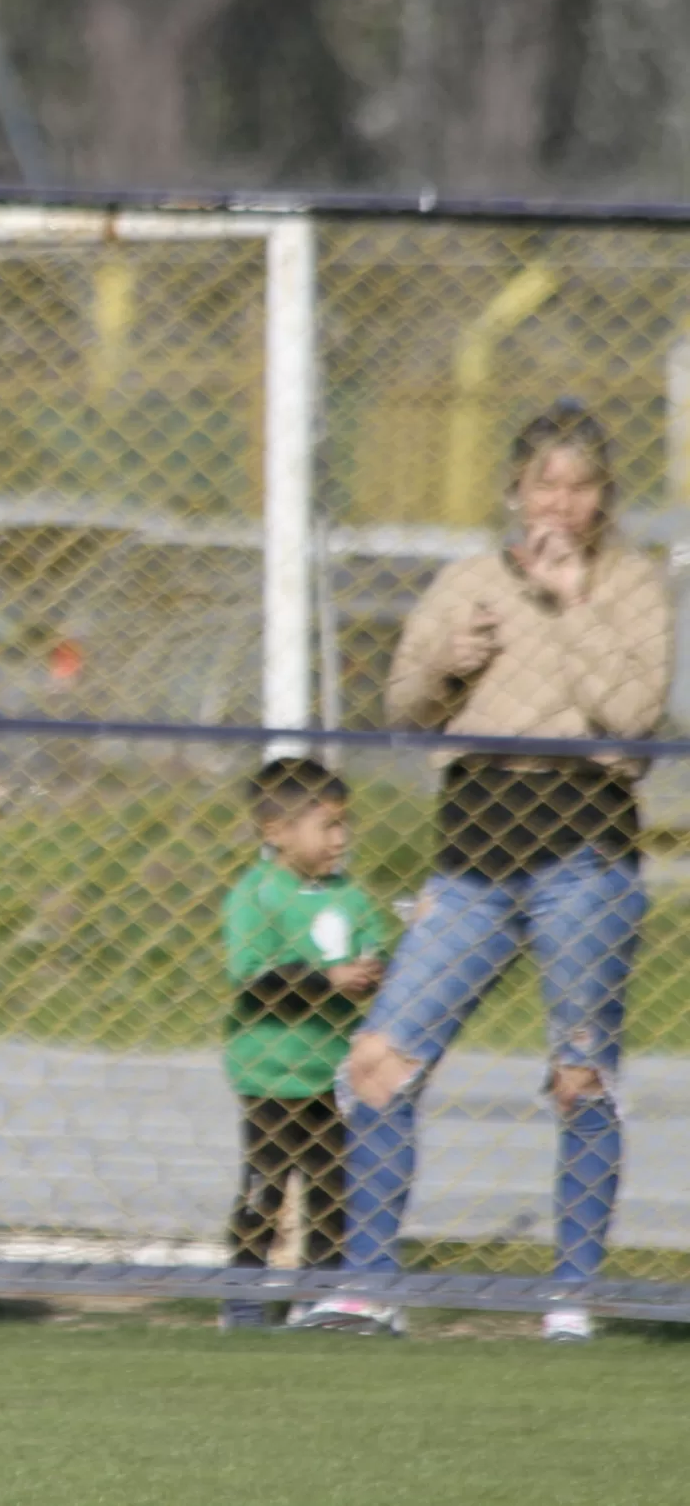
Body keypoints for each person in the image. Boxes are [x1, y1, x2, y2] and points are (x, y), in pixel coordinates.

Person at [301, 401, 670, 1344]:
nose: (560, 499)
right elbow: (404, 708)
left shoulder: (631, 584)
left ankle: (571, 1297)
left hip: (584, 853)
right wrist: (446, 663)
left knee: (579, 1076)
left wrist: (569, 605)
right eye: (544, 481)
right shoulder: (467, 578)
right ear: (514, 491)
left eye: (579, 484)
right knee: (379, 1063)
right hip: (472, 855)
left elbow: (632, 719)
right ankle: (369, 1285)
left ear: (603, 498)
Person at [217, 758, 387, 1331]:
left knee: (333, 1189)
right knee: (266, 1186)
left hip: (332, 1074)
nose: (340, 838)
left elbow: (375, 947)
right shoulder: (257, 894)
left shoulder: (351, 894)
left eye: (344, 825)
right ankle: (242, 1296)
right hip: (270, 1073)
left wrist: (375, 969)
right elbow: (253, 977)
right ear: (277, 831)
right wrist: (327, 981)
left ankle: (317, 1298)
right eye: (327, 826)